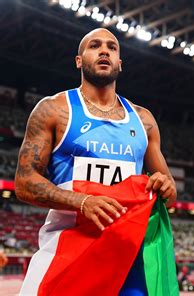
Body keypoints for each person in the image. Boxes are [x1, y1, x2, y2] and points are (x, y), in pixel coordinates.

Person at [15, 28, 177, 295]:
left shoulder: (144, 121)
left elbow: (169, 195)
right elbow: (24, 182)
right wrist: (82, 201)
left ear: (120, 63)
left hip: (127, 260)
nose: (105, 51)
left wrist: (165, 186)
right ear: (79, 60)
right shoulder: (54, 109)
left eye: (112, 48)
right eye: (95, 45)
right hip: (70, 254)